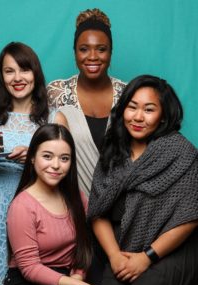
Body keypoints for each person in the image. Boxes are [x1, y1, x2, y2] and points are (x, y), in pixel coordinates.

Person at [0, 42, 67, 285]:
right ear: (1, 77)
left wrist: (33, 159)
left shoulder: (55, 119)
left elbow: (63, 168)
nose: (17, 78)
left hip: (26, 208)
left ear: (36, 72)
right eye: (9, 71)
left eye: (24, 69)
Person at [87, 74, 198, 285]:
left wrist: (147, 257)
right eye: (132, 107)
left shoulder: (182, 153)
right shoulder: (113, 150)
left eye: (149, 110)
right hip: (123, 248)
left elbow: (190, 217)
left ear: (163, 115)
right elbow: (98, 211)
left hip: (169, 253)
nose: (138, 117)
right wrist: (115, 256)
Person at [0, 124, 106, 285]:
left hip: (68, 276)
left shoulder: (77, 198)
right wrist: (75, 284)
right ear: (32, 157)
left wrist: (79, 275)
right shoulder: (22, 206)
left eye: (64, 158)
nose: (56, 165)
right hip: (26, 284)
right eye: (47, 156)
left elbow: (85, 244)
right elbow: (30, 268)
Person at [47, 8, 126, 198]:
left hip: (122, 205)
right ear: (74, 52)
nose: (92, 56)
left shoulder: (129, 94)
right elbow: (44, 148)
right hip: (71, 203)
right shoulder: (56, 92)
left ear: (111, 52)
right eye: (84, 49)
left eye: (101, 49)